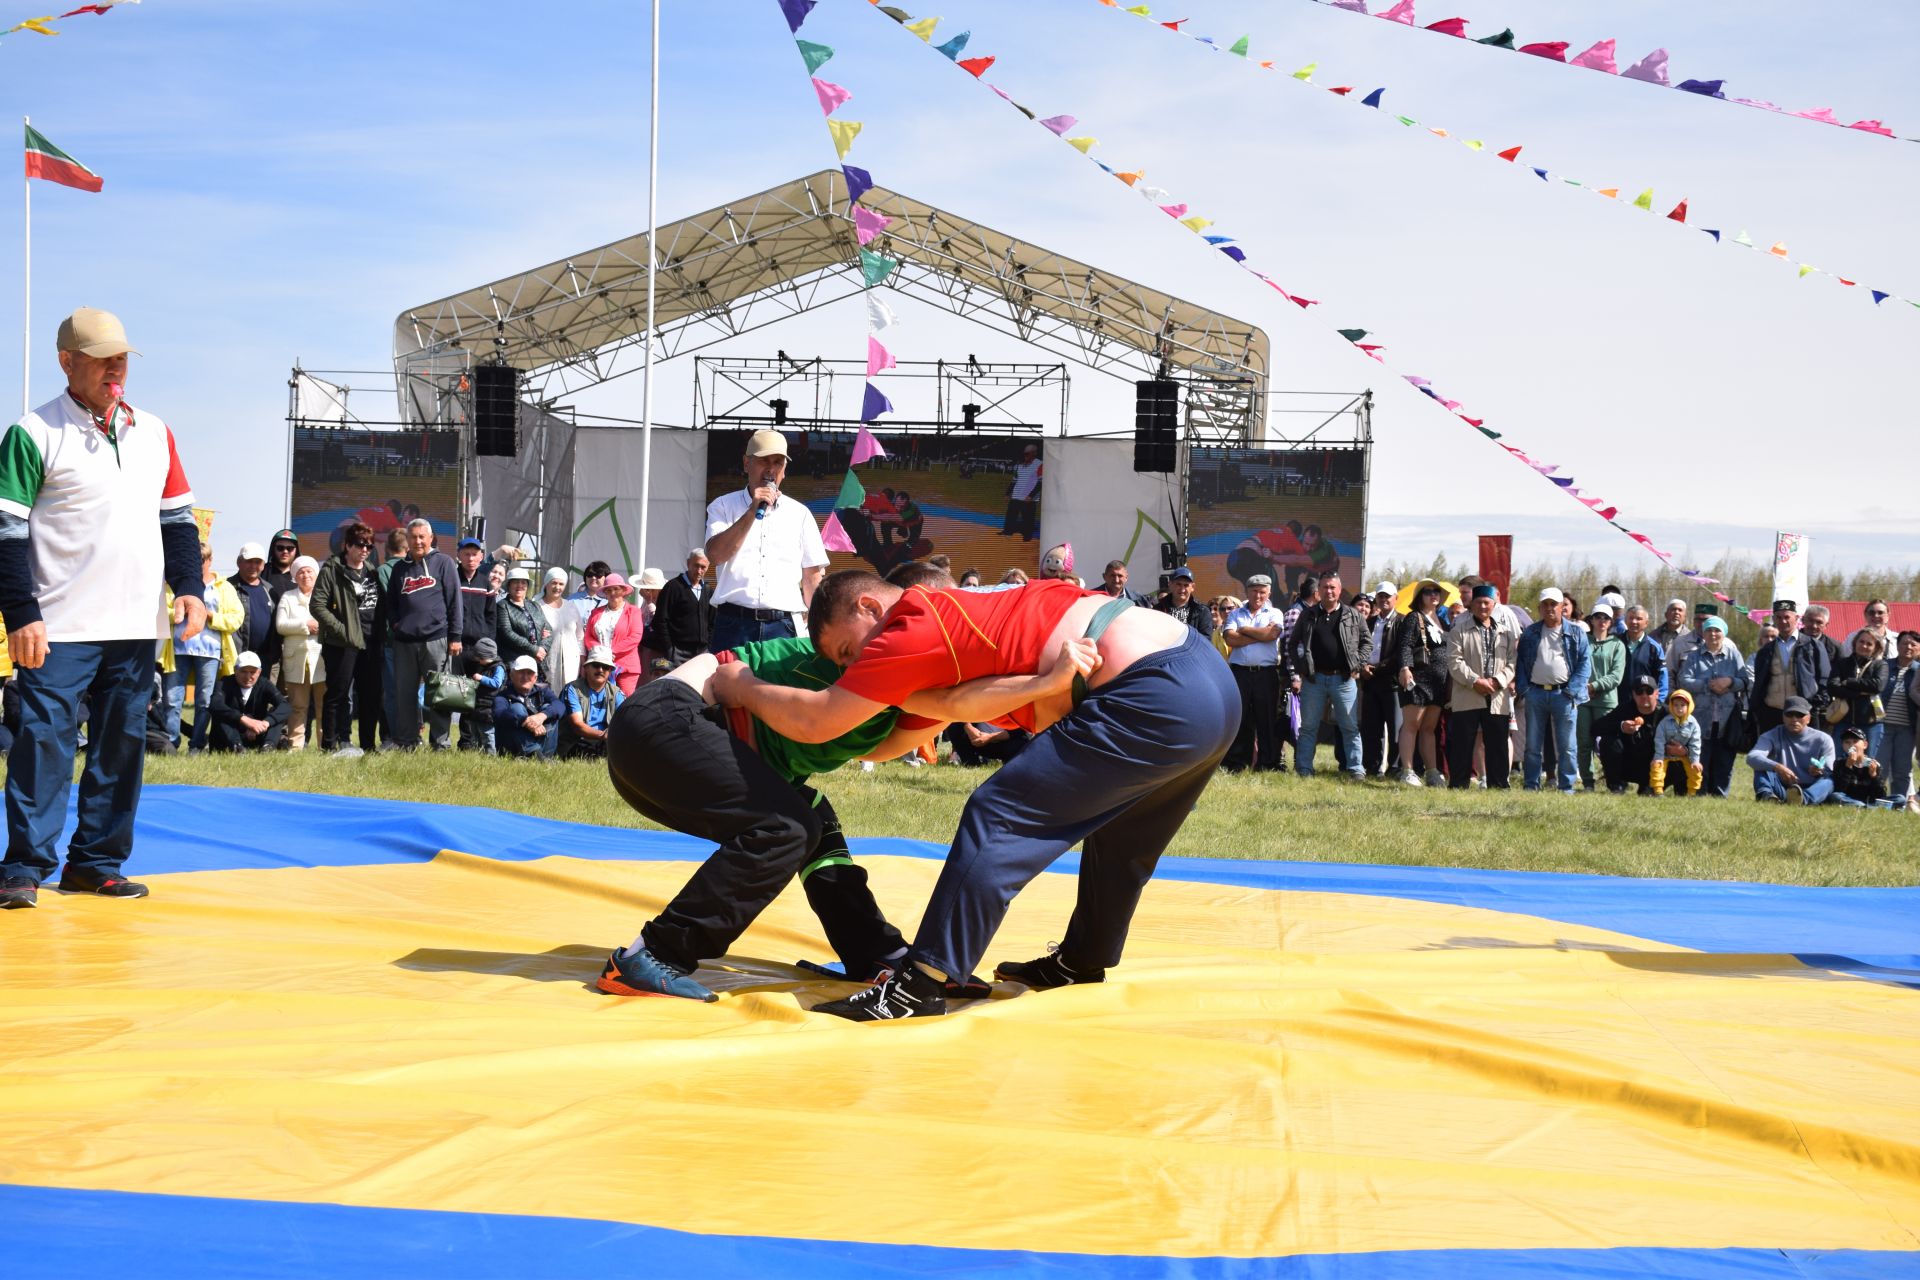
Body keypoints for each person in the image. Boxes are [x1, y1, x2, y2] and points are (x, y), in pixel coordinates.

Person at [715, 570, 1240, 1021]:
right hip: (1207, 683)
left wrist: (742, 686)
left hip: (1155, 690)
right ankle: (1083, 958)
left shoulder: (908, 627)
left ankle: (920, 984)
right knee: (1125, 835)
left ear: (870, 606)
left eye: (850, 651)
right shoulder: (965, 613)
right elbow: (952, 706)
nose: (855, 667)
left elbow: (820, 718)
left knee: (999, 812)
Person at [595, 634, 968, 1002]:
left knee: (810, 816)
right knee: (786, 827)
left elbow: (929, 716)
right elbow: (951, 701)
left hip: (660, 736)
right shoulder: (874, 661)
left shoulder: (894, 683)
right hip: (666, 722)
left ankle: (873, 952)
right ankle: (655, 952)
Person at [0, 306, 210, 906]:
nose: (115, 367)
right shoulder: (33, 432)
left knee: (122, 745)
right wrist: (21, 613)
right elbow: (5, 529)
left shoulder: (155, 430)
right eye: (100, 357)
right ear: (67, 362)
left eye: (121, 356)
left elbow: (177, 520)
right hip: (57, 624)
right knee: (44, 744)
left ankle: (96, 862)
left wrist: (189, 588)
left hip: (136, 623)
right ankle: (23, 866)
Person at [705, 429, 829, 652]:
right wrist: (753, 510)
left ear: (784, 470)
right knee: (726, 686)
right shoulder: (722, 506)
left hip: (783, 626)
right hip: (734, 623)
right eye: (764, 461)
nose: (771, 469)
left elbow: (812, 578)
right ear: (746, 463)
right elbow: (715, 555)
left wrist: (821, 627)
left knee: (781, 688)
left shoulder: (800, 514)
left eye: (778, 462)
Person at [383, 517, 462, 751]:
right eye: (413, 537)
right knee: (405, 695)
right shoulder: (399, 569)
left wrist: (455, 637)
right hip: (405, 642)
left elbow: (454, 602)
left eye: (421, 537)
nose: (417, 541)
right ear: (407, 540)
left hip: (436, 639)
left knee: (439, 695)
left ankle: (440, 743)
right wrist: (397, 625)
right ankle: (407, 742)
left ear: (430, 538)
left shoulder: (444, 563)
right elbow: (391, 604)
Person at [162, 542, 245, 754]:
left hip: (210, 651)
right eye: (192, 559)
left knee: (204, 700)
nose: (197, 564)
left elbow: (237, 618)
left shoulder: (223, 587)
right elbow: (162, 611)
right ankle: (170, 744)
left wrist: (211, 616)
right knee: (172, 699)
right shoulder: (174, 584)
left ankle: (197, 745)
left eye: (201, 559)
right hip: (178, 649)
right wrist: (182, 612)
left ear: (210, 560)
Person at [1287, 569, 1367, 781]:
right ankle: (1304, 769)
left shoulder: (1353, 615)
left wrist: (1356, 665)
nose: (1329, 591)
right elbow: (1293, 643)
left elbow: (1366, 642)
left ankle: (1356, 769)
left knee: (1349, 726)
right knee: (1309, 727)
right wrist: (1301, 668)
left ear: (1339, 590)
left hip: (1344, 679)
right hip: (1314, 679)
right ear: (1318, 590)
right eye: (1325, 587)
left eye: (1333, 587)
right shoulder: (1308, 614)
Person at [309, 521, 380, 757]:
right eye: (361, 545)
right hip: (342, 644)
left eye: (369, 546)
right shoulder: (331, 569)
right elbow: (317, 606)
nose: (365, 550)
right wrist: (342, 630)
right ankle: (329, 745)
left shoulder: (371, 570)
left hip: (370, 643)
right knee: (337, 695)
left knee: (370, 696)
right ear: (347, 545)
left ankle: (369, 746)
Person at [1515, 586, 1592, 795]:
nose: (1549, 608)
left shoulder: (1576, 632)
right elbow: (1520, 662)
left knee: (1567, 746)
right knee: (1532, 745)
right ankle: (1531, 785)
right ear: (1540, 608)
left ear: (1561, 607)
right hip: (1536, 694)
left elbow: (1585, 664)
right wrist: (1525, 689)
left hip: (1564, 695)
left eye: (1553, 604)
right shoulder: (1530, 632)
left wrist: (1572, 691)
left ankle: (1566, 787)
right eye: (1545, 605)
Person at [1443, 583, 1517, 789]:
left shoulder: (1506, 633)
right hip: (1468, 694)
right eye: (1478, 603)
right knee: (1462, 744)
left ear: (1494, 605)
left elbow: (1513, 662)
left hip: (1497, 696)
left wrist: (1497, 681)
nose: (1483, 607)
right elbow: (1454, 661)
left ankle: (1499, 785)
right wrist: (1476, 681)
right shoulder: (1459, 631)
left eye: (1486, 603)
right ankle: (1458, 785)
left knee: (1498, 745)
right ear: (1471, 605)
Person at [1676, 616, 1749, 797]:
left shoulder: (1734, 655)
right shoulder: (1693, 656)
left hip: (1727, 717)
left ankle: (1720, 794)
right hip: (1701, 717)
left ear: (1723, 633)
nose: (1713, 634)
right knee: (1701, 757)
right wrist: (1707, 684)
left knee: (1724, 760)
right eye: (1709, 630)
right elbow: (1683, 681)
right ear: (1703, 633)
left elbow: (1745, 681)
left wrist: (1729, 682)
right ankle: (1699, 792)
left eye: (1717, 630)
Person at [1221, 574, 1285, 773]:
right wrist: (1260, 635)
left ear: (1269, 593)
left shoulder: (1275, 613)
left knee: (1266, 719)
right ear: (1246, 592)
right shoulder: (1235, 614)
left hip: (1265, 674)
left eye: (1262, 592)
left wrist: (1245, 630)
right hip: (1240, 673)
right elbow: (1230, 639)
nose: (1258, 595)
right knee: (1240, 718)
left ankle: (1266, 763)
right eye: (1254, 591)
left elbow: (1273, 634)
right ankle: (1237, 763)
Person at [1390, 580, 1449, 787]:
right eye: (1428, 592)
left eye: (1437, 592)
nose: (1434, 595)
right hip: (1417, 679)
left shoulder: (1443, 621)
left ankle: (1432, 772)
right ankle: (1407, 770)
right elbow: (1404, 645)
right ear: (1419, 597)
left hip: (1438, 682)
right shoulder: (1414, 617)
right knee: (1412, 724)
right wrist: (1405, 668)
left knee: (1429, 728)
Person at [1747, 599, 1830, 737]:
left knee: (1805, 754)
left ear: (1796, 618)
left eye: (1787, 617)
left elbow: (1824, 678)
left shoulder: (1813, 646)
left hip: (1803, 712)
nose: (1783, 621)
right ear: (1773, 619)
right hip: (1771, 713)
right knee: (1773, 755)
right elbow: (1759, 683)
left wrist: (1814, 706)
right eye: (1779, 617)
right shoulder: (1765, 651)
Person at [273, 556, 326, 750]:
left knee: (323, 707)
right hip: (296, 660)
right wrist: (306, 626)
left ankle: (324, 746)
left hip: (321, 659)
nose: (305, 575)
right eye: (301, 572)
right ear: (295, 576)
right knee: (298, 707)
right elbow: (280, 626)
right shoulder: (288, 597)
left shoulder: (324, 596)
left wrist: (321, 626)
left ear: (316, 574)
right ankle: (295, 747)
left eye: (309, 571)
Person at [1748, 697, 1835, 805]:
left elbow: (1830, 767)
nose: (1794, 719)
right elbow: (1752, 757)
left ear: (1808, 718)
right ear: (1783, 717)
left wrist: (1820, 770)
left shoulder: (1823, 739)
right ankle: (1767, 797)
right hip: (1783, 787)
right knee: (1762, 766)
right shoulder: (1772, 735)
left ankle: (1803, 800)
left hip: (1812, 787)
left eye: (1799, 715)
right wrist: (1777, 767)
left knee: (1829, 780)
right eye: (1790, 714)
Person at [453, 537, 497, 750]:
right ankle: (449, 740)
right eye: (466, 554)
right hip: (456, 646)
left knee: (476, 696)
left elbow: (491, 617)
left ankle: (470, 741)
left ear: (481, 557)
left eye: (475, 554)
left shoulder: (485, 583)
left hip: (478, 650)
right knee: (455, 693)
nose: (471, 558)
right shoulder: (452, 579)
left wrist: (487, 645)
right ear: (459, 555)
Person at [1579, 603, 1626, 791]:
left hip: (1606, 701)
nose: (1601, 621)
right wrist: (1584, 687)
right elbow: (1575, 667)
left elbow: (1616, 675)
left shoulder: (1617, 645)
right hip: (1583, 700)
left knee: (1609, 744)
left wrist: (1594, 686)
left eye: (1605, 618)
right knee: (1583, 743)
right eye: (1597, 617)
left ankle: (1613, 782)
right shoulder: (1583, 641)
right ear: (1591, 620)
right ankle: (1588, 782)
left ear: (1611, 622)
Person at [207, 651, 290, 752]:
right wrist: (244, 720)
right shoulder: (224, 683)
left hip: (257, 734)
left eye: (252, 672)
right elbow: (214, 704)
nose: (248, 677)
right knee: (220, 715)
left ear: (259, 672)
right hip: (229, 736)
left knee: (277, 717)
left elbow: (285, 706)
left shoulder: (264, 684)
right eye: (243, 671)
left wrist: (265, 723)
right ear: (235, 670)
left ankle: (268, 747)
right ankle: (237, 747)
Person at [1596, 675, 1666, 795]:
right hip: (1629, 762)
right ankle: (1616, 786)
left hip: (1655, 764)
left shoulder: (1665, 713)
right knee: (1608, 741)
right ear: (1633, 694)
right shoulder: (1626, 709)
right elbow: (1596, 727)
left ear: (1657, 694)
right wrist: (1621, 726)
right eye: (1639, 691)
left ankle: (1654, 786)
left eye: (1649, 691)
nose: (1644, 695)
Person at [1875, 630, 1920, 807]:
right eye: (1904, 643)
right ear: (1897, 645)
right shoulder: (1884, 666)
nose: (1908, 647)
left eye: (1913, 644)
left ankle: (1899, 803)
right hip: (1882, 725)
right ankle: (1876, 801)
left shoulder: (1919, 670)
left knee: (1902, 769)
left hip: (1908, 728)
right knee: (1880, 767)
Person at [1360, 580, 1399, 776]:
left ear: (1395, 599)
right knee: (1371, 727)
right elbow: (1359, 648)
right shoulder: (1368, 622)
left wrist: (1376, 668)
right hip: (1370, 681)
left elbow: (1401, 653)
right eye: (1380, 596)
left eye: (1387, 596)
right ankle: (1372, 766)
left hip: (1392, 682)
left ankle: (1395, 767)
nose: (1383, 599)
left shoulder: (1402, 621)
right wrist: (1363, 666)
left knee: (1395, 729)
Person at [586, 572, 646, 696]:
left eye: (616, 589)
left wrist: (610, 652)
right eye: (609, 590)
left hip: (625, 668)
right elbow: (588, 637)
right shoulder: (595, 612)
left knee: (625, 704)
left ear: (623, 591)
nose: (613, 593)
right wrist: (601, 653)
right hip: (599, 665)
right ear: (605, 593)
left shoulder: (633, 611)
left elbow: (635, 637)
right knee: (600, 702)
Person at [558, 644, 622, 760]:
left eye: (605, 667)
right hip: (577, 741)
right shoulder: (572, 689)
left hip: (605, 741)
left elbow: (625, 720)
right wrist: (604, 735)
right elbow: (578, 726)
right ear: (586, 667)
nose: (600, 670)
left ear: (610, 671)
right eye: (596, 665)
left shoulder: (616, 693)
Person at [653, 548, 713, 667]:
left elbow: (713, 622)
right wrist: (670, 649)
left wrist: (709, 645)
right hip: (678, 652)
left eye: (703, 567)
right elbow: (660, 620)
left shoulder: (708, 591)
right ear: (688, 563)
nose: (699, 570)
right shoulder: (673, 587)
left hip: (702, 652)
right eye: (696, 565)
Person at [494, 655, 563, 758]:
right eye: (521, 672)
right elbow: (499, 714)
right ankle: (535, 755)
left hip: (543, 748)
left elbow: (560, 706)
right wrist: (526, 721)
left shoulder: (543, 691)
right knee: (516, 708)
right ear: (511, 675)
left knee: (549, 709)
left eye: (529, 673)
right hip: (513, 751)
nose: (525, 677)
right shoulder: (502, 695)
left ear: (535, 678)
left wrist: (541, 716)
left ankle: (541, 756)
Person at [1828, 628, 1887, 741]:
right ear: (1855, 642)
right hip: (1844, 719)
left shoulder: (1880, 665)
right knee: (1841, 757)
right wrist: (1859, 692)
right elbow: (1832, 687)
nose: (1864, 646)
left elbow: (1878, 685)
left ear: (1876, 648)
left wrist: (1849, 682)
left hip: (1870, 722)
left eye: (1869, 644)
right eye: (1861, 641)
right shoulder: (1842, 663)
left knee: (1867, 758)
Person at [229, 542, 275, 677]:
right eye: (249, 561)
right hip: (237, 659)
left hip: (265, 661)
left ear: (263, 565)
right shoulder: (227, 587)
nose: (253, 566)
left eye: (258, 562)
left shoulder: (270, 589)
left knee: (262, 698)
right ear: (239, 562)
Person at [1648, 688, 1704, 797]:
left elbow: (1695, 743)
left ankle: (1692, 792)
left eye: (1682, 705)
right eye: (1676, 705)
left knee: (1695, 769)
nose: (1679, 708)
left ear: (1689, 706)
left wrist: (1695, 760)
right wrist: (1658, 757)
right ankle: (1658, 791)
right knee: (1657, 767)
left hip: (1685, 755)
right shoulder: (1664, 722)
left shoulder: (1694, 724)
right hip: (1665, 755)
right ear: (1671, 706)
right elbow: (1659, 740)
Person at [537, 567, 582, 692]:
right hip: (548, 659)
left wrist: (581, 659)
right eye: (554, 583)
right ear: (546, 584)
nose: (557, 587)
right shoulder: (537, 606)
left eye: (561, 584)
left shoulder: (571, 606)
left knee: (569, 694)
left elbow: (580, 636)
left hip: (571, 660)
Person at [497, 566, 551, 670]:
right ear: (509, 585)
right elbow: (507, 633)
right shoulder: (502, 606)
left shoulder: (535, 605)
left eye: (523, 582)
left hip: (537, 662)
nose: (520, 585)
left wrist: (543, 649)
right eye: (515, 582)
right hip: (514, 662)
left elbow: (549, 630)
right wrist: (534, 650)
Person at [1666, 602, 1736, 681]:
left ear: (1716, 621)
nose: (1702, 624)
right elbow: (1668, 674)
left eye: (1706, 620)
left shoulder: (1728, 645)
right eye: (1698, 619)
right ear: (1693, 621)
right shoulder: (1679, 643)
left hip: (1722, 691)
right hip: (1688, 691)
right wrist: (1672, 693)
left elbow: (1739, 675)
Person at [1829, 727, 1890, 808]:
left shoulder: (1873, 764)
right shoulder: (1840, 763)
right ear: (1843, 746)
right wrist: (1848, 767)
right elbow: (1840, 790)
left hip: (1869, 800)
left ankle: (1866, 806)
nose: (1851, 745)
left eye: (1855, 741)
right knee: (1835, 796)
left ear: (1865, 745)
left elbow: (1881, 795)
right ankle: (1864, 806)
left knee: (1900, 798)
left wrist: (1874, 776)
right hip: (1849, 799)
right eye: (1847, 742)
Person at [1619, 605, 1669, 701]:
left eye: (1638, 619)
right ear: (1625, 621)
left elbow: (1662, 678)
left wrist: (1658, 702)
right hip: (1617, 702)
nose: (1634, 622)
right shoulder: (1615, 643)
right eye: (1631, 618)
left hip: (1644, 703)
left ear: (1646, 623)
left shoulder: (1654, 648)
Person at [999, 441, 1042, 541]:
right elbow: (1014, 481)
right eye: (1025, 454)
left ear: (1034, 453)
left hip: (1029, 498)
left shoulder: (1039, 464)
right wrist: (1007, 493)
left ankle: (1027, 536)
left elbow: (1040, 482)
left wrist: (1031, 495)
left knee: (1028, 518)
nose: (1025, 456)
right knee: (1010, 515)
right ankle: (1008, 531)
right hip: (1016, 496)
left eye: (1028, 454)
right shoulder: (1019, 466)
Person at [1156, 566, 1213, 639]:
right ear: (1170, 585)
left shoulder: (1202, 611)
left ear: (1192, 587)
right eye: (1178, 584)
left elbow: (1206, 640)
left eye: (1186, 585)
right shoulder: (1158, 609)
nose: (1182, 590)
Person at [943, 720, 1030, 766]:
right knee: (954, 725)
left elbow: (1022, 732)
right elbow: (960, 710)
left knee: (1020, 743)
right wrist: (968, 727)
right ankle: (970, 762)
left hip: (1006, 742)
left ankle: (1011, 763)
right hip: (978, 740)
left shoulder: (1015, 699)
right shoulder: (978, 694)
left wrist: (990, 737)